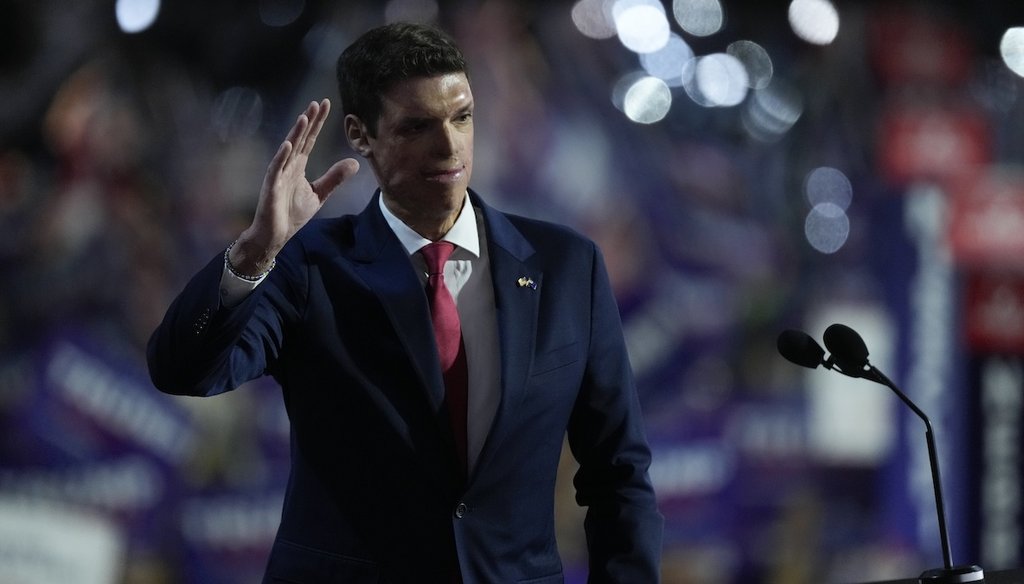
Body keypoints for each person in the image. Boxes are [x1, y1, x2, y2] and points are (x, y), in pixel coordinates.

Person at [148, 21, 663, 583]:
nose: (449, 147)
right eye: (417, 126)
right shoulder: (309, 267)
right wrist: (253, 252)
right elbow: (183, 370)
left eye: (462, 117)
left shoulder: (567, 267)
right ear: (360, 135)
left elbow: (618, 474)